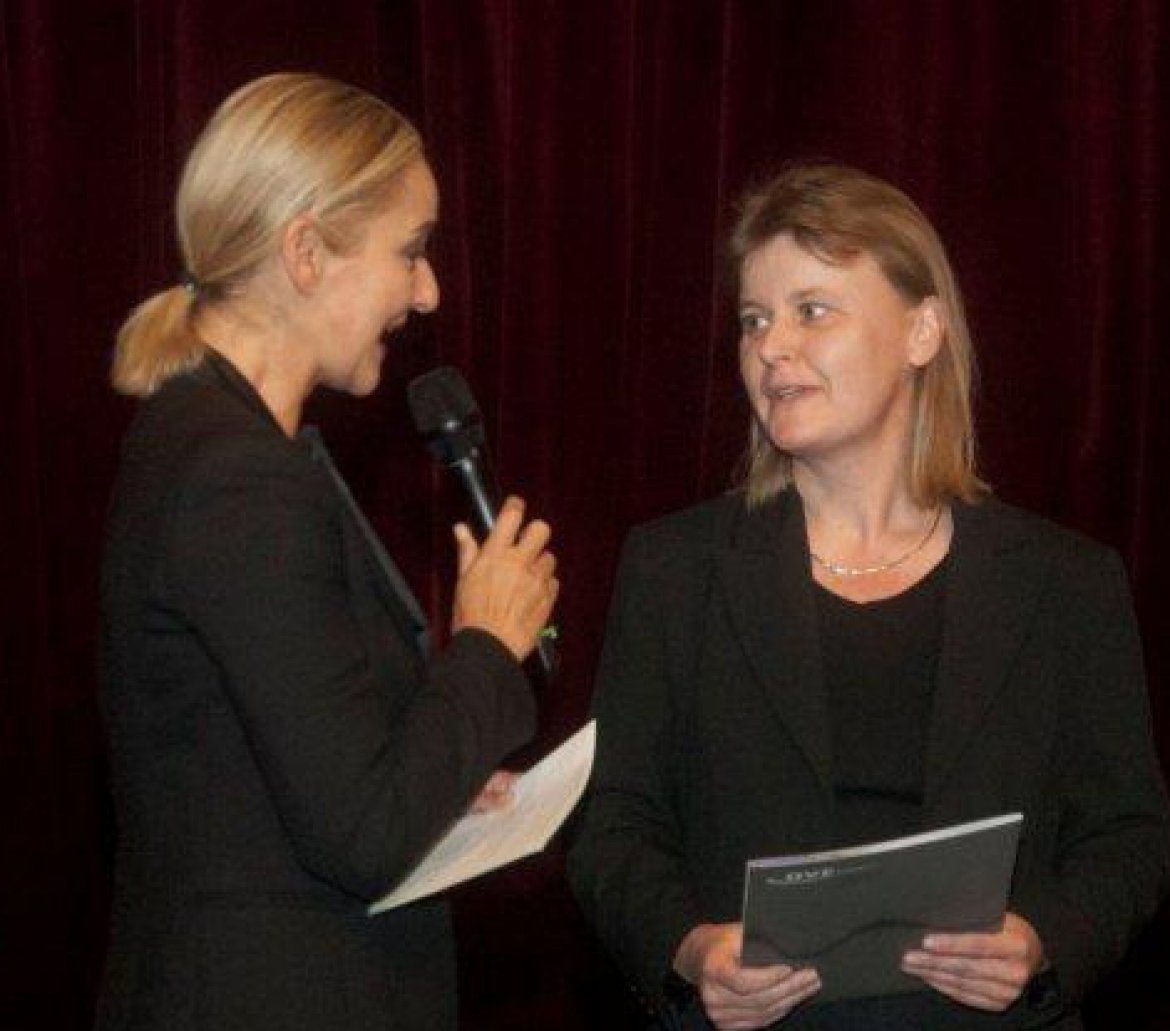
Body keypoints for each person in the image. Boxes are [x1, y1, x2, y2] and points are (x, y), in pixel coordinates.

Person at [568, 161, 1170, 1030]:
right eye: (753, 320)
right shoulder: (676, 568)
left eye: (812, 310)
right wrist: (691, 948)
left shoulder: (1064, 582)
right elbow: (613, 824)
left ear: (922, 330)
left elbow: (1129, 835)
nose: (771, 347)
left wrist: (1045, 942)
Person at [97, 73, 558, 1030]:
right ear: (306, 252)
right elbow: (361, 833)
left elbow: (285, 774)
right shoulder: (239, 475)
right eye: (411, 251)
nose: (427, 291)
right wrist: (485, 643)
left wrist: (445, 775)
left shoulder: (212, 439)